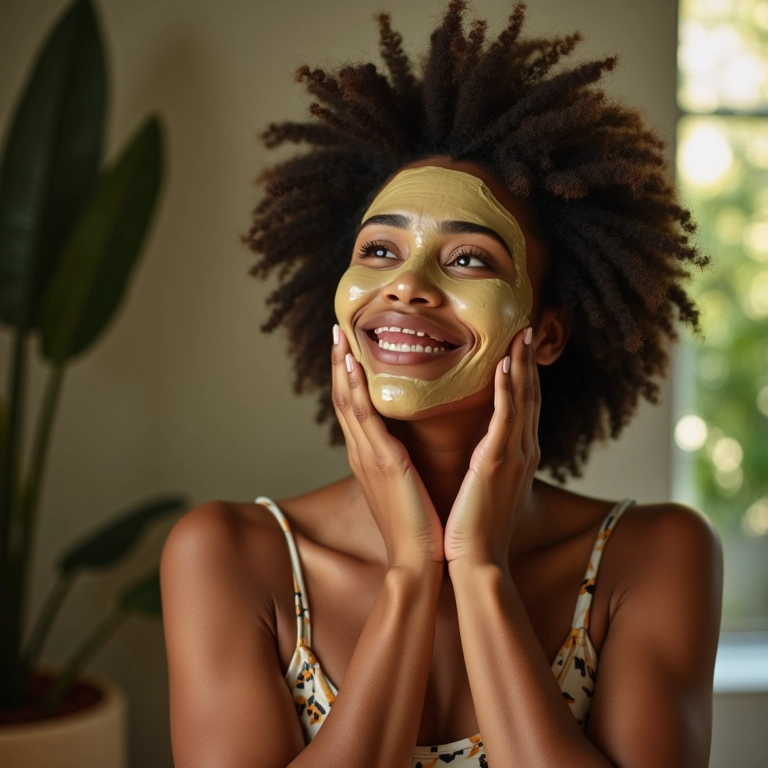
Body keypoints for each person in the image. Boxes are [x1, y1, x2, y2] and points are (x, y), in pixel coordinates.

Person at [160, 2, 724, 766]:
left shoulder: (653, 555)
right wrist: (410, 573)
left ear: (547, 334)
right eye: (379, 250)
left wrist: (481, 570)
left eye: (468, 259)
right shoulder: (226, 555)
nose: (405, 285)